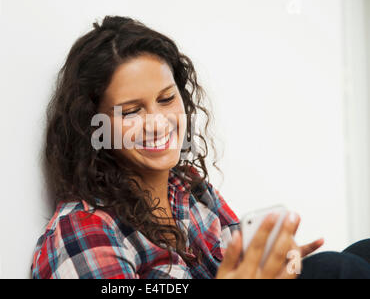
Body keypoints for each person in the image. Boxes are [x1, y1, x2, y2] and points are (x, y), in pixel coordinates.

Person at [31, 15, 370, 279]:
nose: (158, 123)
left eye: (166, 100)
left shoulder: (188, 188)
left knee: (360, 254)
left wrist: (279, 264)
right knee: (340, 270)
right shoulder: (85, 229)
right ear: (93, 123)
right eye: (132, 111)